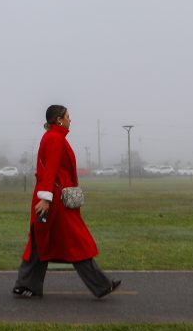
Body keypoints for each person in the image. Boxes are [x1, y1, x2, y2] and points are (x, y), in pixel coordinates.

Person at [13, 104, 120, 299]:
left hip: (52, 199)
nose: (71, 120)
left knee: (40, 241)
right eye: (68, 116)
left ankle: (26, 284)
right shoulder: (55, 139)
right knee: (76, 242)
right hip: (55, 203)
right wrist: (45, 200)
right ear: (59, 120)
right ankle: (101, 285)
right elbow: (50, 169)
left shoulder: (54, 137)